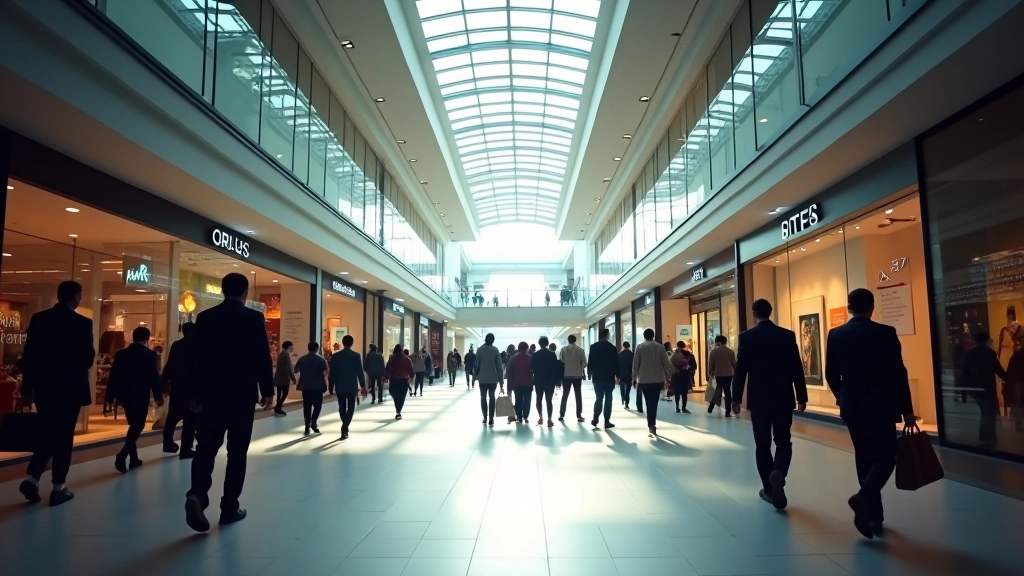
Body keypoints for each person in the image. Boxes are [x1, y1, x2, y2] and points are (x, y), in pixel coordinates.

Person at [185, 272, 274, 532]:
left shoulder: (205, 318)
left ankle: (197, 495)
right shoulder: (253, 318)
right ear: (245, 292)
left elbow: (195, 359)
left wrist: (192, 394)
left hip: (211, 395)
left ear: (223, 291)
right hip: (241, 396)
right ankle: (229, 507)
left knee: (205, 448)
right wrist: (267, 389)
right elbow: (261, 355)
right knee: (237, 452)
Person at [826, 288, 916, 539]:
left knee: (864, 456)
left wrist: (842, 397)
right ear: (872, 307)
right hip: (882, 404)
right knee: (886, 456)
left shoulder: (836, 334)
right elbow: (898, 373)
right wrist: (907, 409)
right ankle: (865, 499)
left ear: (848, 307)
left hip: (852, 406)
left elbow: (831, 374)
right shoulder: (885, 333)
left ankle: (874, 516)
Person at [18, 281, 95, 507]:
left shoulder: (39, 320)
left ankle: (32, 479)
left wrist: (26, 390)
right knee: (63, 437)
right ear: (76, 297)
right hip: (70, 389)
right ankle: (58, 488)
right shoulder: (82, 323)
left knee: (48, 432)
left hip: (44, 387)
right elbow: (87, 358)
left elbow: (29, 357)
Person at [731, 299, 807, 511]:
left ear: (754, 313)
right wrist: (802, 396)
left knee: (762, 445)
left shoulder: (747, 337)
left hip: (759, 399)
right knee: (784, 440)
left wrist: (735, 399)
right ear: (770, 312)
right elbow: (796, 368)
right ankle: (779, 473)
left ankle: (769, 489)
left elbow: (740, 371)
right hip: (783, 397)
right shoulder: (787, 335)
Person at [104, 326, 163, 473]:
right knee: (138, 426)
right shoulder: (150, 355)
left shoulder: (121, 354)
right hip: (140, 394)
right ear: (147, 338)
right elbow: (153, 378)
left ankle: (134, 458)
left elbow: (114, 377)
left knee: (133, 425)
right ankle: (122, 455)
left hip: (125, 395)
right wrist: (158, 396)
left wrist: (109, 398)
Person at [961, 331, 1007, 447]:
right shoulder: (989, 353)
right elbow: (998, 369)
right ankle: (988, 438)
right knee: (989, 412)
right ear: (987, 340)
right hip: (987, 386)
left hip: (975, 386)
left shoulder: (969, 353)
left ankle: (985, 437)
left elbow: (964, 372)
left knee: (986, 411)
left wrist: (963, 391)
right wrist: (1009, 378)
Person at [163, 322, 198, 457]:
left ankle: (168, 442)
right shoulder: (197, 346)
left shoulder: (176, 345)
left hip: (177, 386)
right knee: (190, 420)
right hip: (192, 388)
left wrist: (165, 383)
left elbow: (169, 364)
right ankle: (186, 448)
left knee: (173, 416)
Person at [632, 329, 673, 437]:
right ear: (653, 336)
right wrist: (668, 377)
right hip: (657, 379)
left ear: (644, 336)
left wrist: (634, 378)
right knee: (654, 403)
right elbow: (666, 363)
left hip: (644, 380)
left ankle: (651, 424)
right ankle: (652, 424)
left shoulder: (640, 347)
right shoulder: (660, 347)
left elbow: (636, 364)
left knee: (648, 402)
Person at [328, 335, 365, 440]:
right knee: (351, 407)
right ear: (352, 343)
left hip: (340, 386)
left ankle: (344, 426)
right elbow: (359, 372)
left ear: (343, 343)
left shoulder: (335, 356)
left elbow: (332, 373)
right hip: (352, 386)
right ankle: (345, 426)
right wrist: (362, 385)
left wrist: (331, 387)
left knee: (342, 407)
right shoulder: (356, 356)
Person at [294, 342, 328, 435]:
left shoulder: (302, 359)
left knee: (307, 406)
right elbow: (326, 371)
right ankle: (314, 421)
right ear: (317, 348)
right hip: (317, 386)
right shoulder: (321, 359)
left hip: (306, 386)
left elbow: (295, 370)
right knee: (318, 406)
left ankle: (306, 425)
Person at [588, 328, 619, 429]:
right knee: (608, 399)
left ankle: (595, 419)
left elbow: (590, 361)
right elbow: (616, 363)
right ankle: (606, 421)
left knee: (599, 398)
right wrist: (617, 375)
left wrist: (589, 373)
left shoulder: (593, 347)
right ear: (607, 336)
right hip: (609, 377)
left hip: (597, 377)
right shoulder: (612, 348)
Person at [474, 333, 503, 426]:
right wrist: (501, 381)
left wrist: (474, 377)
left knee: (483, 397)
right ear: (493, 340)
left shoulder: (480, 350)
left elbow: (476, 365)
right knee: (492, 396)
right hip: (493, 378)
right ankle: (491, 418)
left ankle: (484, 417)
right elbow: (499, 367)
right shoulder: (495, 350)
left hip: (482, 378)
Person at [559, 334, 587, 422]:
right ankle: (579, 415)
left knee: (565, 395)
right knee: (578, 395)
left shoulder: (563, 349)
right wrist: (579, 367)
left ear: (568, 340)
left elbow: (561, 362)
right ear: (575, 340)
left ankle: (561, 414)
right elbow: (585, 363)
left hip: (566, 375)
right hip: (577, 375)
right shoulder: (581, 350)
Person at [706, 335, 736, 417]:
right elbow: (734, 364)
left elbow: (711, 364)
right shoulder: (731, 352)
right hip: (729, 374)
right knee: (727, 392)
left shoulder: (714, 352)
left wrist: (710, 373)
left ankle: (711, 406)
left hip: (718, 374)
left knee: (718, 389)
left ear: (717, 342)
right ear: (725, 342)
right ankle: (728, 411)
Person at [532, 337, 559, 427]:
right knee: (549, 400)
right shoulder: (552, 355)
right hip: (549, 380)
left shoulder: (535, 355)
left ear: (539, 343)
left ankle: (540, 417)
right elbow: (556, 369)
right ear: (547, 343)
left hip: (538, 380)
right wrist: (557, 381)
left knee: (538, 399)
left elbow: (532, 368)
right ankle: (549, 419)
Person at [506, 342, 534, 423]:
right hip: (528, 383)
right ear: (527, 348)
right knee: (527, 400)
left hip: (517, 383)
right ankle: (525, 415)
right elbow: (533, 370)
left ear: (518, 348)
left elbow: (509, 372)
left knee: (518, 400)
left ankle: (519, 416)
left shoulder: (513, 358)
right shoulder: (530, 358)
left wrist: (510, 383)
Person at [384, 344, 413, 420]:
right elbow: (410, 369)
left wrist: (386, 377)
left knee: (395, 395)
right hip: (404, 379)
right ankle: (399, 410)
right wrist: (411, 376)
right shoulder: (406, 359)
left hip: (394, 380)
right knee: (402, 396)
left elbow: (387, 368)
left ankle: (398, 409)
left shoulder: (392, 359)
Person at [272, 341, 296, 416]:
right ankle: (278, 407)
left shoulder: (280, 354)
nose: (292, 348)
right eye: (291, 346)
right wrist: (293, 379)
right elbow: (288, 368)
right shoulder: (286, 355)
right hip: (284, 378)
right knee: (285, 393)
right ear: (288, 347)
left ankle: (277, 407)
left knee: (279, 393)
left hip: (279, 377)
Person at [670, 343, 692, 414]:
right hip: (684, 374)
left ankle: (677, 407)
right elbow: (692, 364)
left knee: (677, 391)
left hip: (676, 375)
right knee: (684, 392)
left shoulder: (674, 355)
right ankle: (684, 408)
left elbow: (670, 364)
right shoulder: (687, 354)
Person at [617, 341, 634, 409]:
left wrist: (617, 375)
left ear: (623, 346)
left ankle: (623, 398)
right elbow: (634, 365)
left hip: (622, 374)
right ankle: (627, 403)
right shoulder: (632, 354)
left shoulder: (619, 354)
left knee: (622, 388)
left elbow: (617, 365)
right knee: (628, 389)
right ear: (629, 346)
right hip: (629, 374)